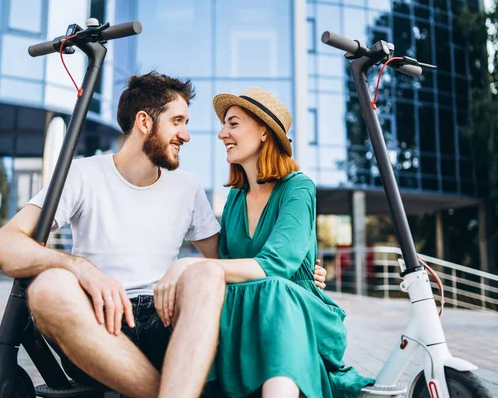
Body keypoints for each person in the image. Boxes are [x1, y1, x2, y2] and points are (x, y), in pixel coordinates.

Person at [0, 72, 327, 398]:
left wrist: (298, 268)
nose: (187, 135)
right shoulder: (82, 174)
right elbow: (0, 245)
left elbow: (223, 263)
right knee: (47, 288)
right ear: (144, 122)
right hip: (97, 324)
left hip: (167, 325)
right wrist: (81, 269)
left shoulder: (188, 188)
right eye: (178, 122)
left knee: (204, 276)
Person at [155, 87, 374, 397]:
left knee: (277, 290)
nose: (222, 134)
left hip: (295, 311)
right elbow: (228, 265)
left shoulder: (298, 188)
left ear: (263, 132)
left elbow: (276, 265)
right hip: (245, 309)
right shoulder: (235, 197)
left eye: (233, 124)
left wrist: (188, 264)